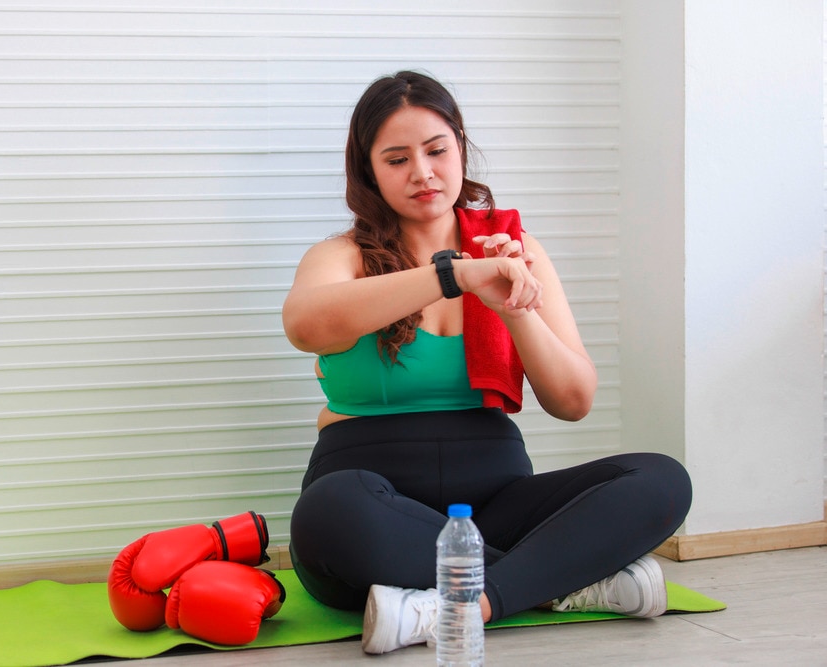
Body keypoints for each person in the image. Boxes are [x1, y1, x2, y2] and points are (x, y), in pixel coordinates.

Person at [282, 70, 692, 655]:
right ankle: (565, 579)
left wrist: (514, 306)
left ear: (460, 146)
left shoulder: (516, 252)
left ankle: (469, 602)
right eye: (397, 159)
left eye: (436, 150)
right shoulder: (340, 256)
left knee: (659, 479)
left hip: (495, 508)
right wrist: (452, 276)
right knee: (329, 512)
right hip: (374, 509)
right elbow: (305, 325)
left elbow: (573, 401)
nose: (422, 172)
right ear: (368, 169)